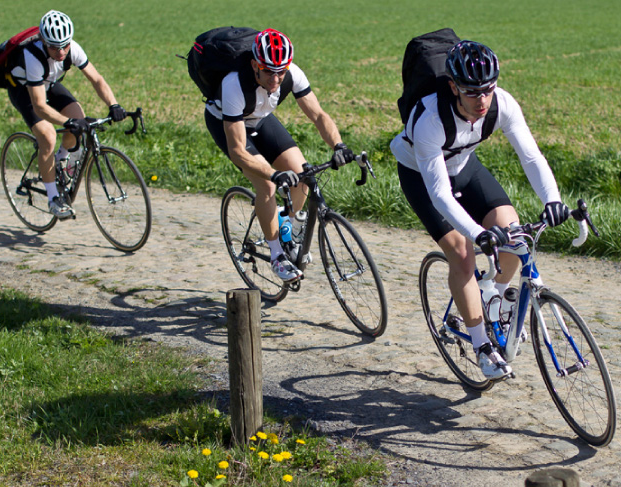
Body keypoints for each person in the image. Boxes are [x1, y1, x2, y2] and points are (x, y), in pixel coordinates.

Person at [390, 40, 570, 379]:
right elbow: (441, 193)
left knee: (513, 230)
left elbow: (531, 157)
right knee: (462, 252)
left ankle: (492, 294)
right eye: (473, 92)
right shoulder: (430, 118)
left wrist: (553, 200)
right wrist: (478, 234)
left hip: (463, 164)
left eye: (488, 90)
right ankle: (481, 345)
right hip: (421, 174)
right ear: (454, 86)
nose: (482, 100)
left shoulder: (502, 105)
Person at [204, 28, 354, 282]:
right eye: (269, 72)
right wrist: (274, 174)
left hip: (260, 119)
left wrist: (338, 146)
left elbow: (318, 115)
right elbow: (238, 150)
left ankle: (287, 227)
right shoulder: (234, 85)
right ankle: (276, 256)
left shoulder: (291, 73)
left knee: (302, 174)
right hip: (227, 123)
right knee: (266, 185)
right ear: (255, 65)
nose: (276, 79)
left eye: (281, 72)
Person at [6, 10, 127, 219]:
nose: (61, 52)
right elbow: (39, 105)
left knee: (79, 118)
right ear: (43, 41)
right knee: (48, 136)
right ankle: (53, 198)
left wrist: (113, 104)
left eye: (65, 45)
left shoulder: (71, 48)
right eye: (54, 47)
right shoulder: (32, 56)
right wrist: (68, 122)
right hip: (24, 89)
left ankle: (61, 160)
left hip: (49, 83)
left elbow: (96, 79)